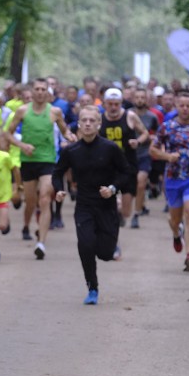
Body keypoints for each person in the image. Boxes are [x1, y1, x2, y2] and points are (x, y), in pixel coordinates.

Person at [54, 106, 133, 304]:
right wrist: (58, 189)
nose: (88, 124)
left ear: (99, 124)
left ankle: (110, 246)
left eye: (92, 120)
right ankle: (92, 287)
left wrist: (113, 188)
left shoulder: (110, 148)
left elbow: (126, 172)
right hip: (84, 205)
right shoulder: (72, 150)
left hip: (106, 206)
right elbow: (58, 172)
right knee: (85, 244)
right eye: (84, 120)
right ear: (78, 124)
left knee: (106, 253)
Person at [5, 77, 76, 259]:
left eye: (43, 89)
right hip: (28, 161)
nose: (40, 92)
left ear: (48, 92)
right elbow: (8, 133)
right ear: (32, 91)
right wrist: (22, 146)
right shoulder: (22, 111)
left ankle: (41, 243)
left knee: (45, 198)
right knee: (30, 201)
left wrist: (70, 136)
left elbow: (64, 130)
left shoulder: (55, 112)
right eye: (36, 89)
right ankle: (27, 226)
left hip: (48, 160)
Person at [149, 91, 189, 273]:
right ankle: (176, 234)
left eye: (188, 105)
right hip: (173, 178)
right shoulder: (167, 127)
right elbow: (153, 150)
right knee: (175, 220)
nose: (185, 109)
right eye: (181, 105)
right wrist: (167, 156)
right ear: (176, 106)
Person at [99, 87, 149, 242]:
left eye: (117, 104)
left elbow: (145, 133)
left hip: (127, 166)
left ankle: (119, 213)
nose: (113, 107)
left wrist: (137, 142)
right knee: (110, 201)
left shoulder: (130, 116)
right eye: (110, 104)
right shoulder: (99, 119)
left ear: (121, 103)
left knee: (126, 211)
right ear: (104, 104)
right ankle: (111, 233)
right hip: (107, 166)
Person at [130, 88, 160, 228]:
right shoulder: (127, 115)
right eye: (137, 97)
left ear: (147, 99)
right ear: (133, 99)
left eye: (143, 97)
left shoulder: (152, 117)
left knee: (141, 183)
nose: (140, 100)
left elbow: (158, 134)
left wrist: (153, 140)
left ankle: (136, 214)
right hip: (127, 155)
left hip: (144, 154)